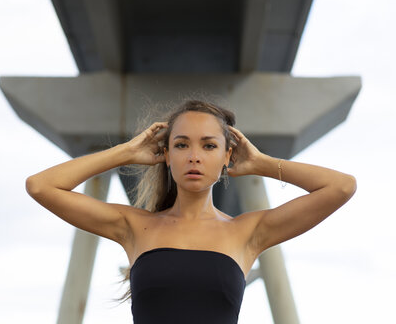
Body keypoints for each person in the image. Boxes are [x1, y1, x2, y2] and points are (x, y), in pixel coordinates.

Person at [25, 99, 357, 324]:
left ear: (227, 156)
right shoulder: (132, 226)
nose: (194, 156)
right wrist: (125, 152)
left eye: (209, 145)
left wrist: (261, 163)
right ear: (166, 154)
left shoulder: (247, 232)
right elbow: (41, 186)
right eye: (182, 144)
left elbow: (341, 187)